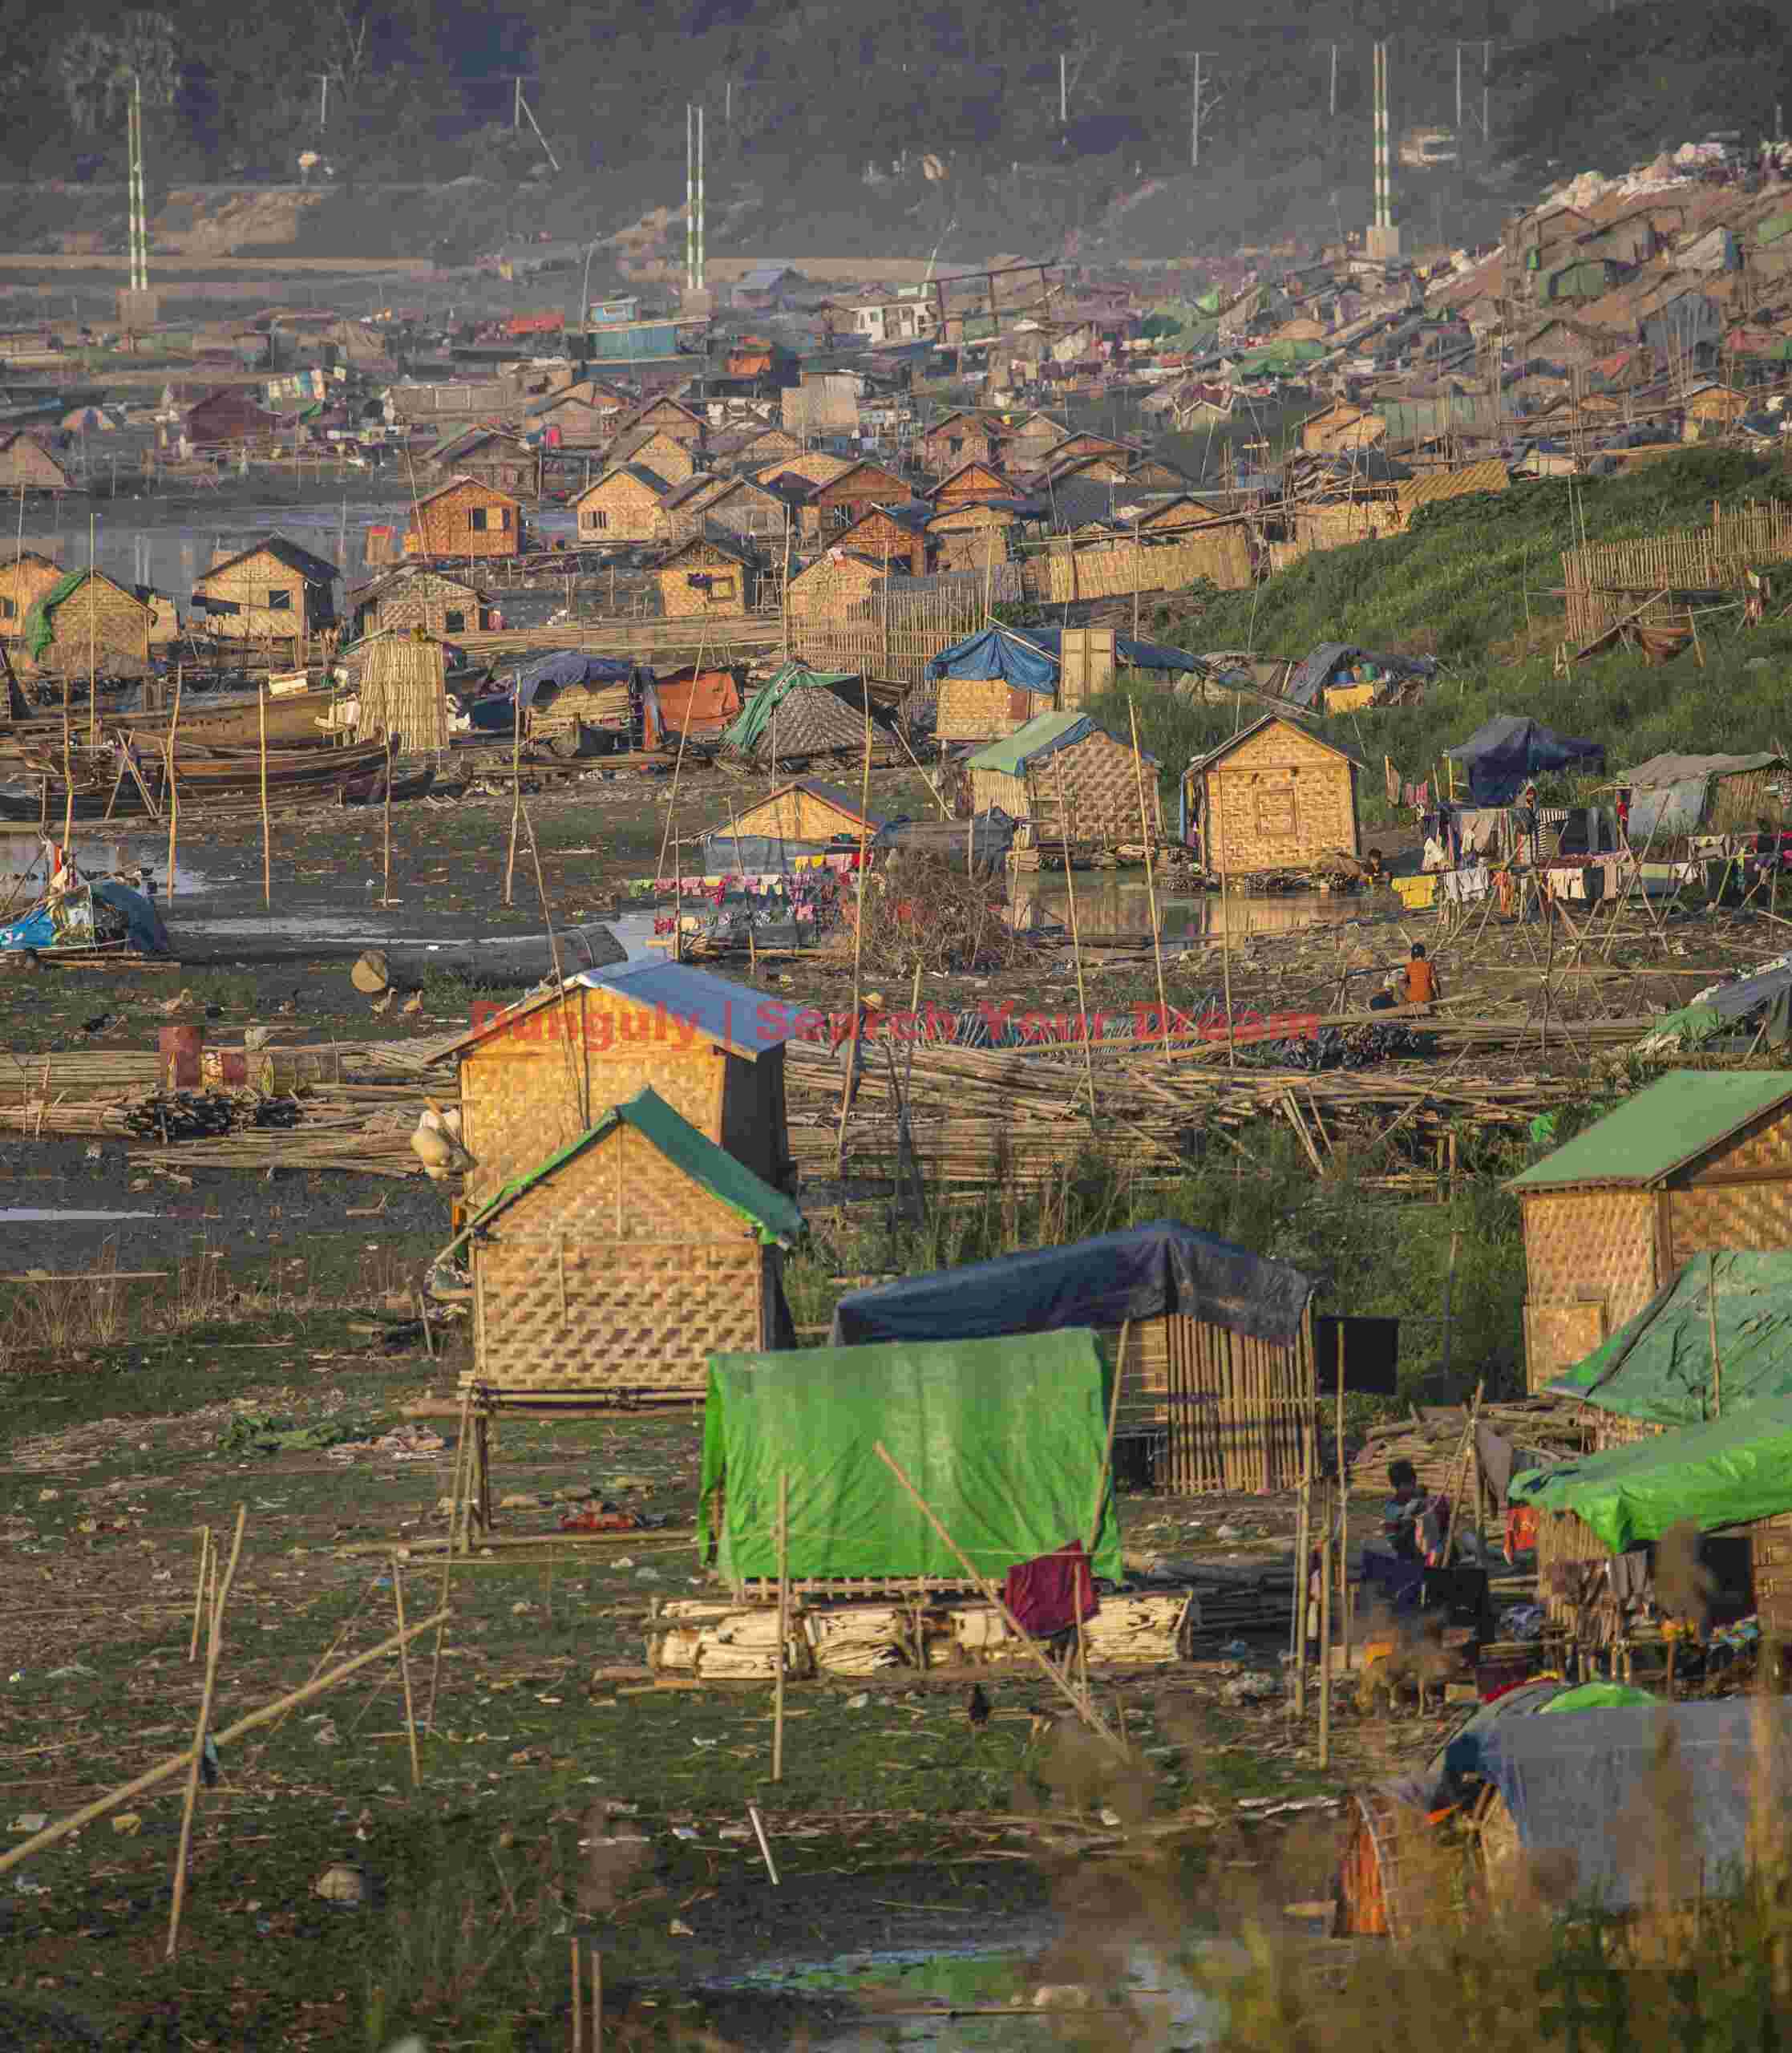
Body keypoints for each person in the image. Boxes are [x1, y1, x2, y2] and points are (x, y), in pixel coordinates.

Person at [1383, 1460, 1426, 1560]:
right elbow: (1394, 1541)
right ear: (1398, 1485)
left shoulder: (1418, 1502)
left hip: (1423, 1551)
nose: (1413, 1488)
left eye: (1414, 1484)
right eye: (1410, 1484)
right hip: (1407, 1556)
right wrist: (1409, 1526)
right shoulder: (1392, 1509)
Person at [1400, 942, 1438, 1009]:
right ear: (1423, 953)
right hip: (1427, 998)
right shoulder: (1429, 965)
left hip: (1413, 999)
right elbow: (1434, 982)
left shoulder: (1409, 966)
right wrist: (1438, 996)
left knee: (1400, 983)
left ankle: (1408, 1003)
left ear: (1412, 954)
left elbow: (1403, 983)